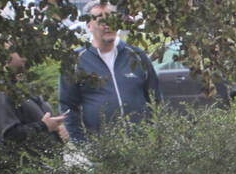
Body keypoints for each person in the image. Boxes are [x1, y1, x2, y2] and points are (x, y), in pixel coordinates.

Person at [58, 0, 161, 141]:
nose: (108, 24)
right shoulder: (75, 61)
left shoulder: (136, 56)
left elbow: (155, 98)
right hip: (102, 150)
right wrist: (81, 143)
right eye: (100, 19)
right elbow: (68, 106)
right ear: (88, 25)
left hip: (142, 148)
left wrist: (157, 135)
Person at [0, 50, 68, 161]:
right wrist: (44, 126)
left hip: (44, 172)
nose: (25, 54)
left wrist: (57, 130)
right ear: (3, 55)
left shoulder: (25, 87)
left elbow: (42, 122)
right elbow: (8, 137)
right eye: (18, 50)